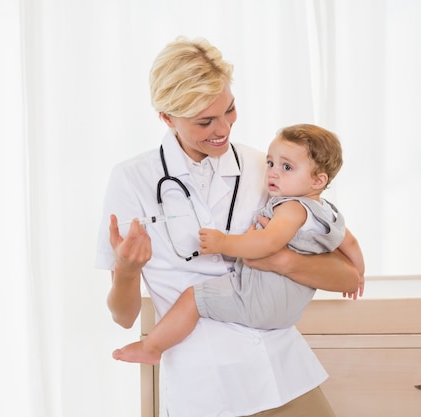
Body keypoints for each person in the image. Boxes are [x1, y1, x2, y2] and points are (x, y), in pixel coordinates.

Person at [95, 36, 362, 417]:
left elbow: (348, 278)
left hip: (278, 367)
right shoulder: (132, 180)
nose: (223, 129)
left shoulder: (268, 169)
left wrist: (279, 260)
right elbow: (123, 317)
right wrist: (126, 271)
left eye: (230, 110)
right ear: (167, 118)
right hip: (204, 380)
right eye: (205, 121)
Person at [112, 123, 365, 366]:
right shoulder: (327, 212)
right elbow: (350, 243)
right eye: (271, 163)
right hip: (285, 312)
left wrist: (223, 242)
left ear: (318, 181)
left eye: (286, 167)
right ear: (168, 117)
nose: (273, 172)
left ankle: (151, 348)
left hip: (260, 302)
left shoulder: (290, 207)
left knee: (193, 298)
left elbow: (267, 242)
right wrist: (361, 271)